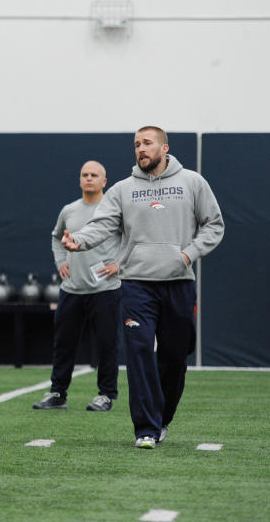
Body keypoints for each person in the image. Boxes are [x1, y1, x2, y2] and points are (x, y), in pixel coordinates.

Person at [62, 126, 224, 448]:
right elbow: (103, 225)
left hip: (178, 282)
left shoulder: (192, 182)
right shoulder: (122, 189)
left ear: (164, 147)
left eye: (147, 143)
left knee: (175, 356)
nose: (141, 149)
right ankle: (146, 429)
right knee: (138, 353)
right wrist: (78, 241)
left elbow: (214, 224)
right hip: (136, 284)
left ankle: (162, 419)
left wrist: (188, 255)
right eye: (136, 144)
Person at [33, 160, 121, 411]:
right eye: (85, 174)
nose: (89, 178)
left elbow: (132, 241)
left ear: (105, 182)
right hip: (72, 289)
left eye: (95, 175)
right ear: (79, 180)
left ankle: (105, 395)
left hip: (106, 290)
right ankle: (58, 393)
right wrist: (61, 261)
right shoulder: (69, 211)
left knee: (107, 344)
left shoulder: (113, 210)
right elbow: (56, 237)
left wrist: (119, 265)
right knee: (64, 344)